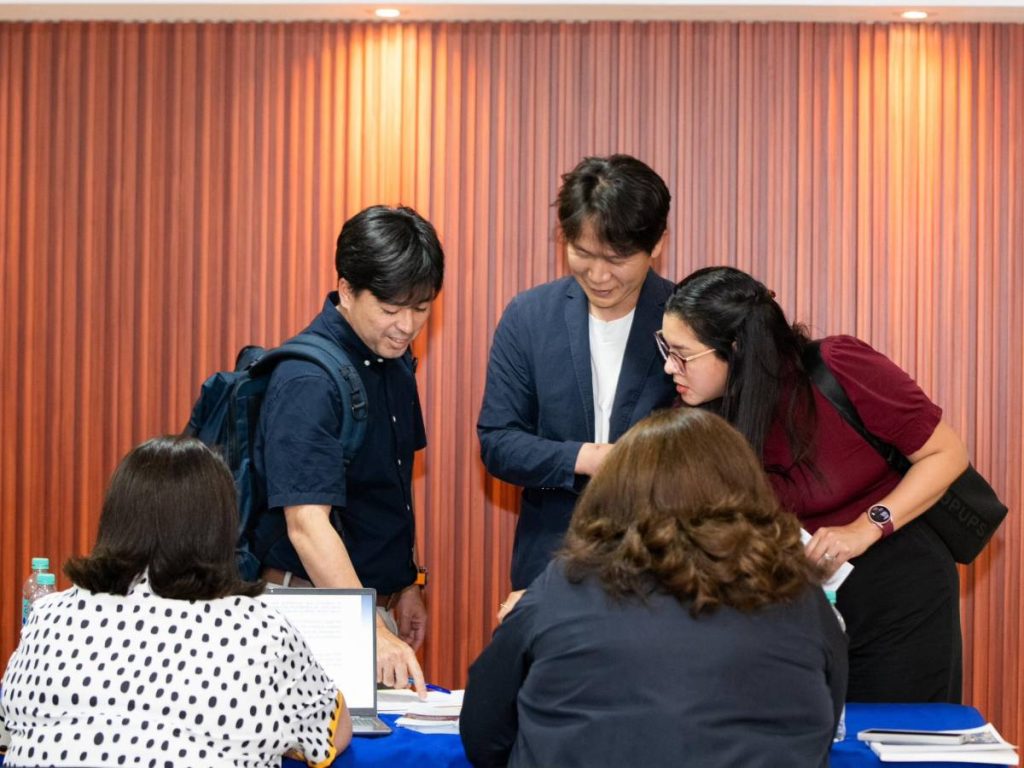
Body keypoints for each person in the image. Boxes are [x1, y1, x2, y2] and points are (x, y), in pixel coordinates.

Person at [461, 408, 846, 768]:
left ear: (614, 491)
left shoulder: (563, 584)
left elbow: (483, 733)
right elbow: (824, 728)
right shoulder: (799, 592)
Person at [659, 265, 969, 703]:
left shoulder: (838, 367)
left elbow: (947, 453)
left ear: (735, 349)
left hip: (898, 593)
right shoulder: (703, 415)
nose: (669, 366)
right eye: (665, 348)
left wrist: (865, 527)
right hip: (796, 607)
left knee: (896, 737)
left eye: (682, 354)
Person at [0, 436, 352, 768]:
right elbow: (332, 734)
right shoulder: (260, 628)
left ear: (114, 520)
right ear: (221, 527)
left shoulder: (49, 617)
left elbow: (9, 724)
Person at [250, 204, 444, 694]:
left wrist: (408, 585)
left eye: (421, 309)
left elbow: (398, 481)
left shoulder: (393, 362)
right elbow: (306, 524)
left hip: (366, 608)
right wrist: (368, 629)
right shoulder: (307, 378)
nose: (406, 325)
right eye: (390, 308)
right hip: (314, 612)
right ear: (346, 290)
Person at [477, 154, 676, 616]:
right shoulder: (529, 317)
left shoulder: (683, 318)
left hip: (664, 573)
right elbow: (498, 441)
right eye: (582, 254)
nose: (599, 275)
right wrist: (587, 458)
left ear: (658, 243)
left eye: (618, 258)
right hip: (550, 567)